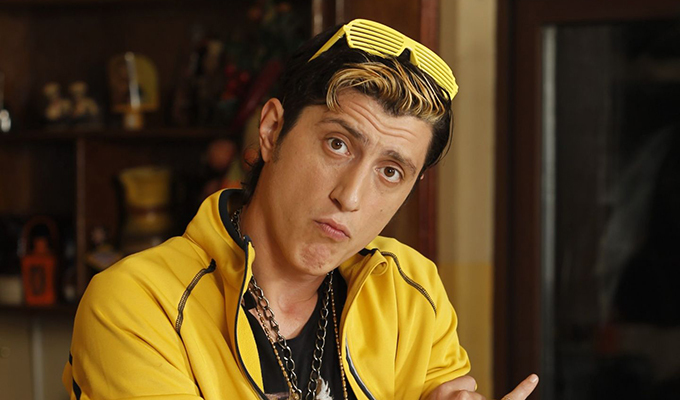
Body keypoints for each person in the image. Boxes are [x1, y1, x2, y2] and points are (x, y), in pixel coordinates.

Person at [63, 19, 538, 400]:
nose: (351, 197)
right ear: (272, 131)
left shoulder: (410, 292)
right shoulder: (139, 304)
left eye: (391, 171)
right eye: (337, 144)